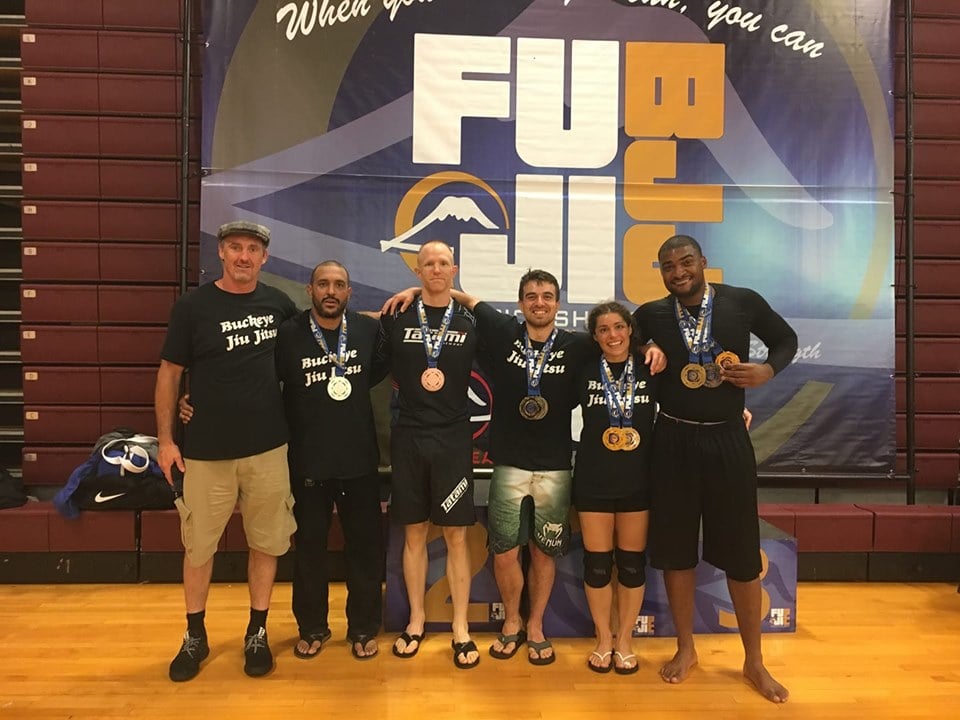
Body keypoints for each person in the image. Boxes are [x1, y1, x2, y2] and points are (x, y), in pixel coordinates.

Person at [633, 234, 797, 703]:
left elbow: (785, 340)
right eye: (668, 266)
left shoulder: (741, 302)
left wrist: (767, 370)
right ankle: (686, 649)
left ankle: (754, 661)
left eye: (686, 262)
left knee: (742, 553)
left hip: (728, 438)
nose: (678, 272)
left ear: (703, 261)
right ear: (661, 272)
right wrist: (647, 347)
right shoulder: (650, 314)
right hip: (672, 439)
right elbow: (623, 337)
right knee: (676, 550)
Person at [155, 220, 298, 682]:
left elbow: (324, 330)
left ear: (264, 258)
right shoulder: (193, 307)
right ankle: (195, 634)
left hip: (267, 448)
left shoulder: (279, 305)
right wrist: (166, 440)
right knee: (199, 546)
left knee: (266, 542)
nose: (243, 256)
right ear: (220, 252)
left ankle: (257, 630)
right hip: (206, 451)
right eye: (235, 247)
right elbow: (170, 373)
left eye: (252, 249)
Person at [276, 261, 388, 660]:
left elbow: (376, 373)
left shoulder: (367, 331)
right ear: (309, 290)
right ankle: (312, 627)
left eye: (339, 285)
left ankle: (363, 627)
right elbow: (261, 379)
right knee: (309, 549)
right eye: (323, 284)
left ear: (348, 293)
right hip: (307, 461)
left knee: (365, 548)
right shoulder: (289, 334)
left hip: (359, 460)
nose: (331, 291)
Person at [377, 240, 481, 669]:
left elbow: (504, 331)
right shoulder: (398, 316)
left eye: (443, 263)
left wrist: (457, 296)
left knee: (456, 536)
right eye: (428, 264)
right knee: (415, 533)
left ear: (453, 270)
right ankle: (416, 620)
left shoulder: (471, 320)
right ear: (417, 271)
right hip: (409, 437)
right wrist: (412, 296)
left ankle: (461, 628)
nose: (436, 269)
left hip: (453, 439)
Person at [574, 302, 655, 674]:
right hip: (594, 480)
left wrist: (735, 409)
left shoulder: (652, 367)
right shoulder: (584, 368)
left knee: (632, 566)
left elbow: (686, 401)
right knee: (597, 566)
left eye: (619, 327)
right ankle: (603, 638)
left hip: (638, 480)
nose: (613, 335)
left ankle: (624, 640)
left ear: (630, 330)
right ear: (594, 336)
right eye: (604, 329)